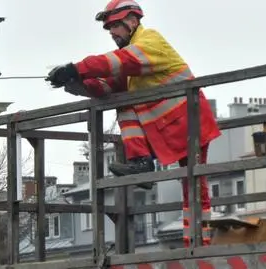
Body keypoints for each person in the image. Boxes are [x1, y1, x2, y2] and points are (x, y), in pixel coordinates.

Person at [45, 0, 221, 247]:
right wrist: (75, 82)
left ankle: (200, 244)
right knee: (189, 184)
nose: (112, 33)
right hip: (174, 125)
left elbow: (117, 62)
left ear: (132, 21)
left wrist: (76, 68)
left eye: (115, 26)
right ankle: (141, 164)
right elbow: (107, 84)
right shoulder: (133, 54)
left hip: (190, 124)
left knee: (194, 186)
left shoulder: (149, 41)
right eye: (109, 29)